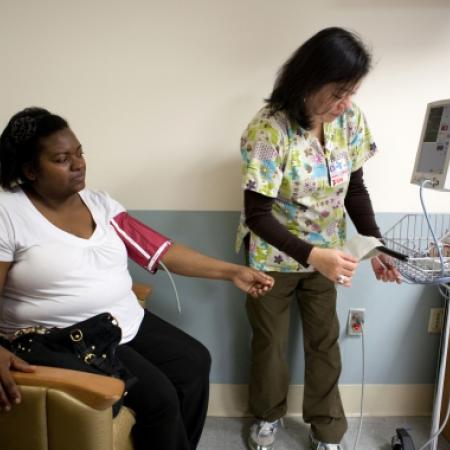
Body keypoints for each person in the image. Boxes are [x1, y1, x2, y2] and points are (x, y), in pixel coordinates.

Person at [0, 107, 274, 450]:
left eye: (80, 152)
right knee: (159, 397)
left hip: (123, 320)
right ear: (30, 170)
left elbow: (161, 251)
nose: (78, 163)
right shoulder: (8, 213)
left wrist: (233, 271)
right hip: (63, 336)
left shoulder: (101, 205)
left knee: (195, 362)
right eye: (61, 158)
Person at [235, 27, 400, 450]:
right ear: (309, 80)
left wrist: (375, 244)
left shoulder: (349, 119)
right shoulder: (269, 130)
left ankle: (327, 430)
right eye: (338, 92)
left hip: (329, 252)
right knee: (270, 344)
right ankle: (267, 416)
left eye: (352, 93)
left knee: (325, 342)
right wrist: (314, 255)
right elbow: (257, 214)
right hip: (273, 254)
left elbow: (355, 190)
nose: (345, 103)